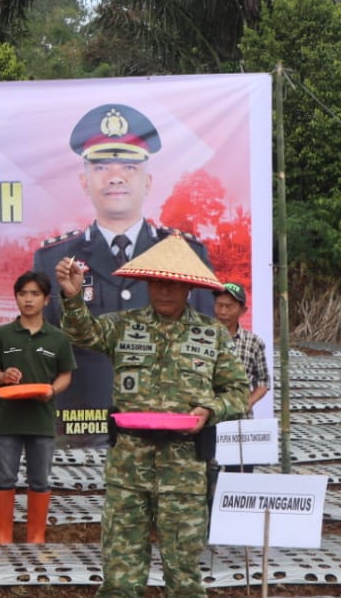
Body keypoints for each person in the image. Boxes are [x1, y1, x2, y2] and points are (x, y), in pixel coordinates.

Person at [53, 234, 248, 598]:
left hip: (184, 468)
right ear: (145, 284)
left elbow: (237, 392)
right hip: (130, 466)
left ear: (188, 288)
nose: (163, 291)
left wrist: (208, 412)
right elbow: (81, 334)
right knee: (120, 565)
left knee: (184, 568)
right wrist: (72, 295)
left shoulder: (211, 333)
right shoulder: (123, 325)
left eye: (172, 284)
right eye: (155, 282)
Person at [33, 103, 215, 414]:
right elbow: (45, 347)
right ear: (84, 181)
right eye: (101, 167)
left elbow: (204, 343)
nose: (115, 178)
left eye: (129, 167)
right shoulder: (54, 259)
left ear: (148, 181)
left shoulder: (185, 253)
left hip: (162, 415)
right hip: (82, 419)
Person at [0, 270, 76, 544]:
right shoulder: (3, 334)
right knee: (4, 478)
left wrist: (52, 390)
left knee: (40, 480)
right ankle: (3, 535)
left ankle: (36, 536)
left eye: (35, 294)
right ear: (16, 298)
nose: (28, 299)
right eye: (22, 294)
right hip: (8, 420)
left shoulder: (57, 338)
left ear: (46, 299)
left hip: (42, 420)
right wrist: (2, 377)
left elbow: (66, 374)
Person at [213, 281, 270, 473]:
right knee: (207, 474)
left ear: (243, 310)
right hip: (209, 418)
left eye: (229, 306)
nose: (222, 311)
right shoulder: (202, 338)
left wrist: (248, 402)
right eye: (219, 305)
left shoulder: (253, 343)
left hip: (240, 422)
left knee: (239, 475)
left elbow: (263, 382)